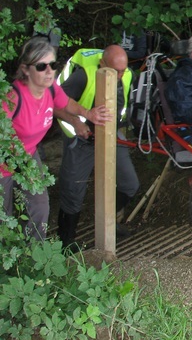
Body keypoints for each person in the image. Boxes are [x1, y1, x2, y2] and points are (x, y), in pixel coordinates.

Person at [1, 38, 110, 240]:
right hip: (4, 163)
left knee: (39, 210)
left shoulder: (50, 89)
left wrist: (88, 114)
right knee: (3, 217)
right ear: (26, 70)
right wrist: (15, 165)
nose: (50, 71)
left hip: (28, 156)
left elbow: (66, 103)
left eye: (53, 64)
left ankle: (34, 258)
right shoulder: (12, 99)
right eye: (42, 66)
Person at [54, 45, 140, 251]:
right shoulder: (84, 76)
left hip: (111, 135)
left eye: (123, 70)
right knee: (73, 191)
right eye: (115, 71)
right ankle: (65, 241)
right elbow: (55, 104)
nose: (120, 76)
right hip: (82, 137)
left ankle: (107, 223)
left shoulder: (128, 75)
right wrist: (77, 123)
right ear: (102, 64)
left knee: (130, 184)